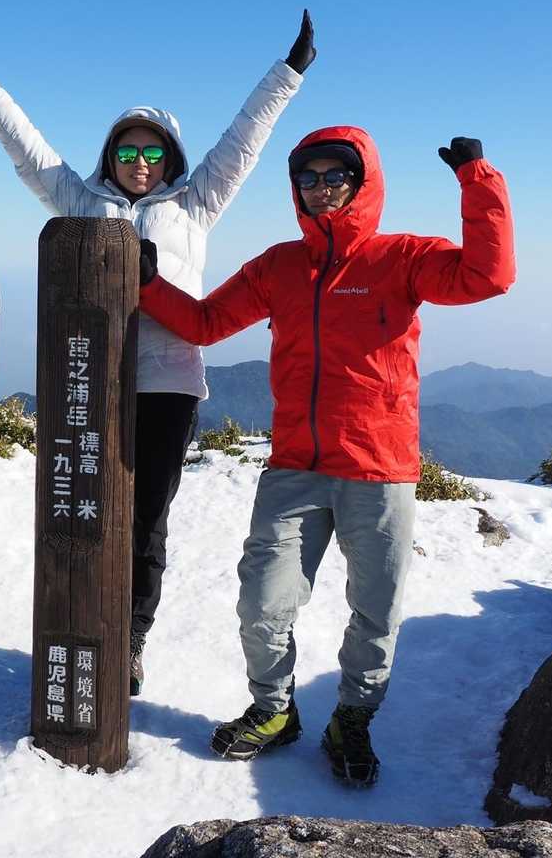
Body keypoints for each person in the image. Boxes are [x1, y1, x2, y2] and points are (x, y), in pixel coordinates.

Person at [0, 15, 315, 695]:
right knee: (84, 508)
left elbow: (244, 140)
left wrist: (287, 74)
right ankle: (82, 620)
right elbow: (32, 154)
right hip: (90, 382)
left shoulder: (196, 203)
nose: (140, 163)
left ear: (170, 159)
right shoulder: (80, 200)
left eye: (152, 152)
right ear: (110, 156)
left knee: (146, 520)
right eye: (128, 151)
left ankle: (131, 637)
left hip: (168, 387)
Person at [135, 127, 515, 785]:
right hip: (295, 467)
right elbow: (205, 324)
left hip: (379, 469)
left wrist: (477, 181)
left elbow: (488, 277)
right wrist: (147, 284)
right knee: (263, 600)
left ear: (362, 182)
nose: (319, 188)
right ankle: (274, 710)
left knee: (375, 611)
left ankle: (353, 719)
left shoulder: (402, 257)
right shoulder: (280, 266)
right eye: (306, 178)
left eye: (334, 175)